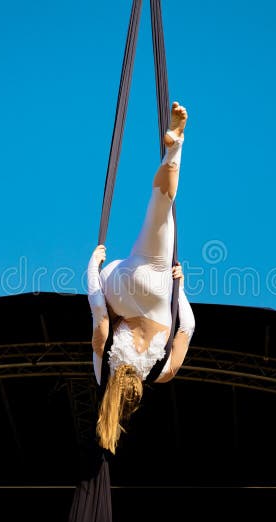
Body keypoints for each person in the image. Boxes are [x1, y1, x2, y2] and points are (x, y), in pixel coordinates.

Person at [86, 101, 196, 454]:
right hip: (118, 284)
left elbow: (187, 327)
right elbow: (101, 323)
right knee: (159, 208)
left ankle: (176, 147)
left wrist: (180, 290)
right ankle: (174, 144)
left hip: (156, 284)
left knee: (161, 207)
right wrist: (91, 269)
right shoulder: (103, 374)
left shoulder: (163, 372)